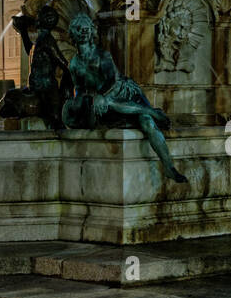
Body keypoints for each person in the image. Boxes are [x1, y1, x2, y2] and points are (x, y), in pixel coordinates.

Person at [63, 13, 187, 182]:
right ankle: (153, 111)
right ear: (73, 34)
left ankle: (169, 167)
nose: (83, 32)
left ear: (92, 32)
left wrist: (100, 97)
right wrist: (81, 102)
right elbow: (79, 88)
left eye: (86, 28)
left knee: (146, 122)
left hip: (124, 93)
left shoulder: (102, 55)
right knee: (132, 113)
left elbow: (112, 82)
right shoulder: (75, 64)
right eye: (79, 29)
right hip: (104, 104)